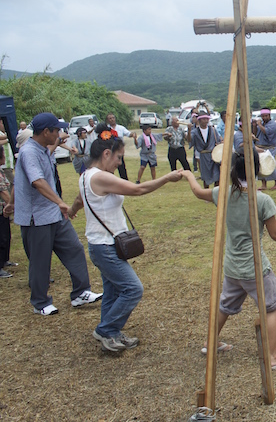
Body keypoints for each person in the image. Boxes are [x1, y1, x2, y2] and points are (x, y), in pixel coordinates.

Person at [181, 147, 276, 368]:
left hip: (232, 266)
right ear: (257, 170)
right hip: (254, 267)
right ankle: (273, 357)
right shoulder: (262, 199)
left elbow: (198, 192)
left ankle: (212, 343)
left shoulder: (222, 192)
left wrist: (189, 174)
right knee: (271, 307)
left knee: (225, 305)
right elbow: (275, 234)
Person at [68, 124, 183, 351]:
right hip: (105, 246)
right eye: (119, 158)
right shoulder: (100, 177)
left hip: (104, 244)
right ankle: (105, 330)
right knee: (133, 289)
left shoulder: (85, 176)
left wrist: (71, 210)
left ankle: (111, 333)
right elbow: (137, 189)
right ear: (106, 154)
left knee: (112, 291)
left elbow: (80, 200)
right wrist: (167, 177)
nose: (120, 163)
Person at [14, 112, 102, 315]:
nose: (60, 133)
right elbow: (37, 181)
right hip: (37, 217)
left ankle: (81, 292)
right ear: (46, 132)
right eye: (56, 130)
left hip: (53, 214)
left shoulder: (43, 148)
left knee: (74, 249)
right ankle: (40, 302)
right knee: (40, 260)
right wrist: (60, 202)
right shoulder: (29, 152)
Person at [190, 111, 221, 188]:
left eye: (207, 119)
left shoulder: (213, 130)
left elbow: (218, 140)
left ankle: (216, 193)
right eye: (203, 119)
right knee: (205, 175)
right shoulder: (195, 132)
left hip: (213, 154)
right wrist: (189, 130)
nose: (206, 121)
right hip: (203, 156)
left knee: (216, 175)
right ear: (199, 120)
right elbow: (190, 141)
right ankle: (206, 193)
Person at [255, 108, 276, 190]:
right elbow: (256, 133)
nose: (264, 118)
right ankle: (263, 184)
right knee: (260, 166)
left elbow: (267, 132)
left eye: (265, 116)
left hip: (269, 148)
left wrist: (259, 125)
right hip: (260, 147)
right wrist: (255, 125)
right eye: (262, 116)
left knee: (270, 164)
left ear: (269, 115)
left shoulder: (273, 124)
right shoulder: (261, 123)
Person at [105, 113, 135, 180]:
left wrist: (132, 134)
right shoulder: (106, 129)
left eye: (113, 118)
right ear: (107, 120)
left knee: (122, 168)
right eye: (110, 118)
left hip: (119, 151)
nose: (112, 119)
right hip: (110, 151)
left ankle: (125, 182)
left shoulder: (120, 128)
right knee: (110, 168)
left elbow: (128, 134)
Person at [0, 146, 14, 278]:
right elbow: (4, 192)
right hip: (2, 210)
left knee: (6, 236)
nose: (5, 156)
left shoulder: (1, 171)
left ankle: (5, 260)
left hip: (3, 210)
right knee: (1, 238)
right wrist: (12, 205)